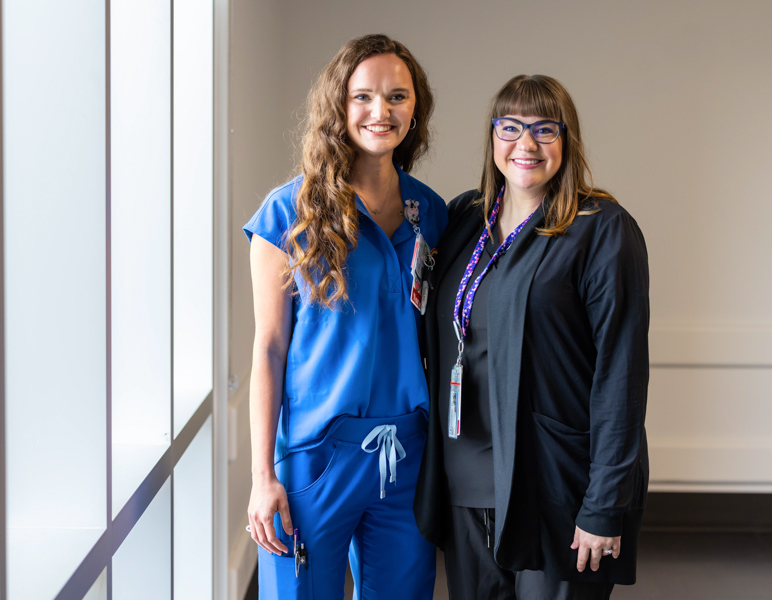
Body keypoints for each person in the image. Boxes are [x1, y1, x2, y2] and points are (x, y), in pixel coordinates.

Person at [414, 75, 650, 600]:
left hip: (555, 488)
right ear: (492, 137)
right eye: (511, 128)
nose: (526, 144)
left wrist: (605, 503)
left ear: (567, 141)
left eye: (545, 129)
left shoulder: (601, 229)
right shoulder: (463, 219)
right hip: (466, 484)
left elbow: (622, 373)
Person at [244, 34, 447, 600]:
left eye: (397, 97)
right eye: (363, 96)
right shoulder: (287, 212)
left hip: (405, 454)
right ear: (338, 106)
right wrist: (263, 478)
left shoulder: (429, 212)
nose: (380, 111)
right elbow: (268, 349)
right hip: (315, 459)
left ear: (415, 109)